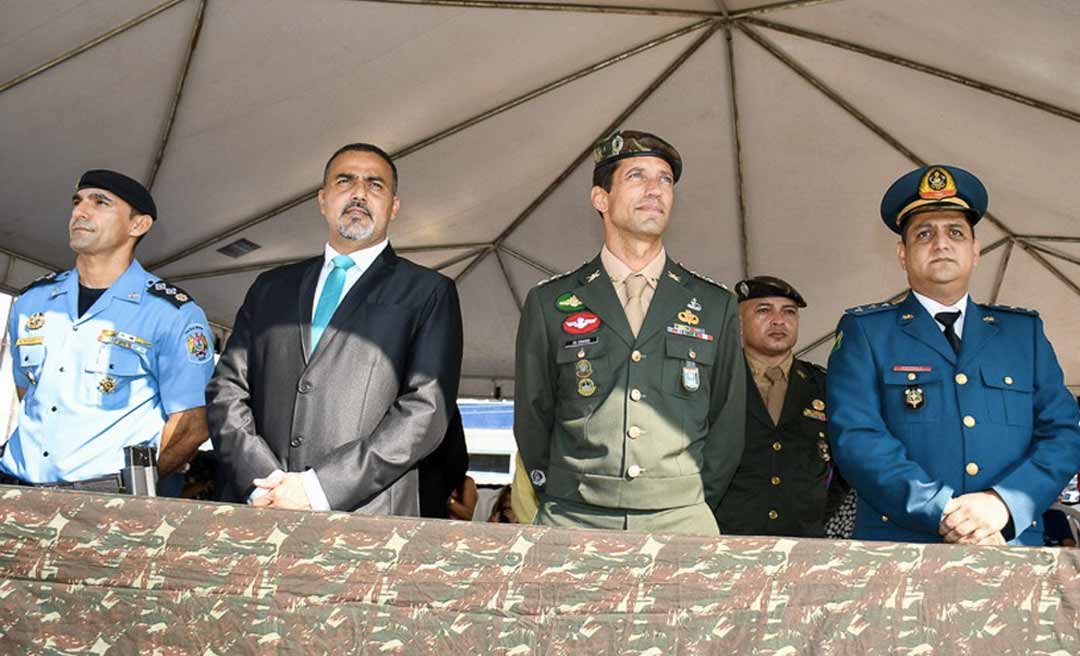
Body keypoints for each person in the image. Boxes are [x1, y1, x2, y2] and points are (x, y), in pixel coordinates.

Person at [828, 164, 1080, 545]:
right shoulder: (866, 332)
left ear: (975, 252)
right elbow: (857, 440)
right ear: (902, 253)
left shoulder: (1023, 334)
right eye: (924, 234)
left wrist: (1004, 506)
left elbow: (1063, 432)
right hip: (901, 551)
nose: (941, 243)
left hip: (1008, 545)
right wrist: (944, 511)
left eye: (956, 233)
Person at [207, 143, 463, 515]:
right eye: (345, 181)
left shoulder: (428, 293)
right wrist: (261, 478)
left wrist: (318, 488)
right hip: (259, 505)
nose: (359, 192)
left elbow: (426, 411)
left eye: (375, 185)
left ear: (393, 206)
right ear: (323, 200)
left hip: (365, 515)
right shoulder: (271, 287)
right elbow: (226, 389)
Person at [513, 130, 745, 535]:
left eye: (665, 180)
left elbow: (728, 419)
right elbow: (533, 415)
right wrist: (562, 491)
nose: (655, 189)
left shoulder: (713, 304)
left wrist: (687, 498)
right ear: (600, 198)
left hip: (680, 518)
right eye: (637, 176)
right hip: (575, 516)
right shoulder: (551, 301)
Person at [2, 169, 214, 492]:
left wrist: (132, 487)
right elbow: (29, 394)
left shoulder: (172, 314)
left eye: (101, 202)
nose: (80, 212)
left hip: (102, 506)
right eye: (78, 201)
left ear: (138, 225)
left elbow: (191, 425)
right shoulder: (32, 302)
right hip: (17, 491)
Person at [714, 276, 848, 537]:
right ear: (738, 322)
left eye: (789, 312)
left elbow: (844, 468)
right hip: (727, 537)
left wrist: (814, 514)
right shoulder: (716, 380)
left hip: (803, 541)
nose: (778, 320)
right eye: (763, 310)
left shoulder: (823, 385)